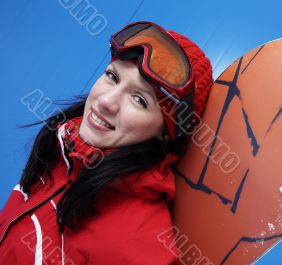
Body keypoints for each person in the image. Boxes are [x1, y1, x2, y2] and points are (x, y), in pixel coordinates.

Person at [0, 21, 213, 264]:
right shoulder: (62, 149)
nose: (106, 102)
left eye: (139, 99)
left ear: (166, 133)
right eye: (113, 76)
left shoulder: (134, 245)